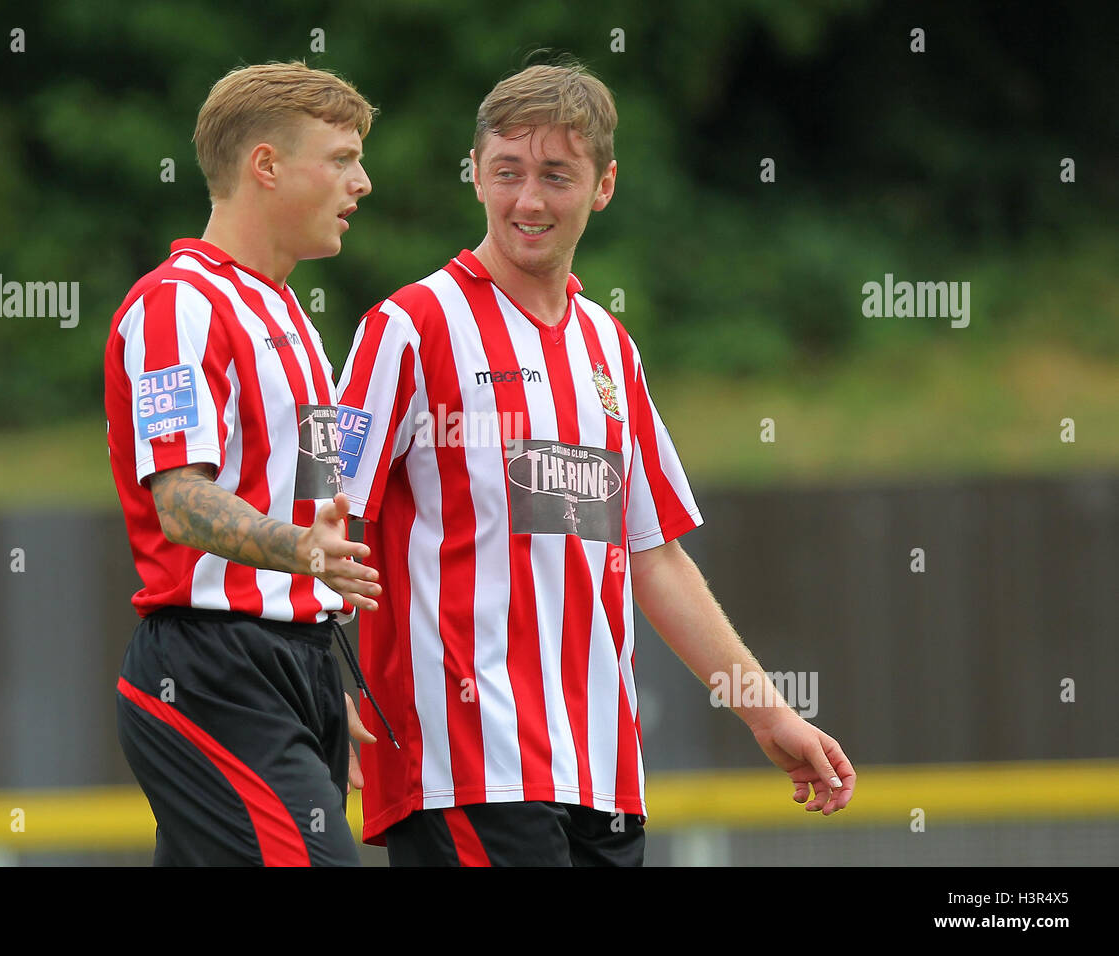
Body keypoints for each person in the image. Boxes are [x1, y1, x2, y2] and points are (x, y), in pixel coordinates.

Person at [334, 61, 856, 866]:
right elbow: (318, 515)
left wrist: (767, 711)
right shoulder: (408, 325)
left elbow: (653, 555)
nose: (528, 200)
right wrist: (318, 687)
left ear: (604, 185)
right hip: (466, 769)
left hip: (603, 776)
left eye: (556, 176)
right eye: (506, 172)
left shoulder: (609, 348)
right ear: (474, 174)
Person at [104, 61, 385, 866]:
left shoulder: (295, 314)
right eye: (341, 158)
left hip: (292, 666)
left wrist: (319, 644)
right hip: (211, 671)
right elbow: (183, 504)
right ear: (266, 165)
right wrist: (304, 560)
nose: (361, 182)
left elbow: (316, 513)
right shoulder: (177, 304)